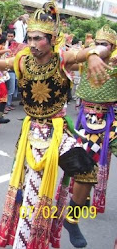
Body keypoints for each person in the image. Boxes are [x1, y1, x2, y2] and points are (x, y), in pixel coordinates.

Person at [0, 1, 110, 249]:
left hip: (58, 131)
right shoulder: (21, 60)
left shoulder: (64, 58)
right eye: (29, 38)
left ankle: (72, 220)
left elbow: (104, 48)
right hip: (31, 132)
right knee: (28, 192)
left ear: (52, 39)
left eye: (38, 38)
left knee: (87, 173)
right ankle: (22, 235)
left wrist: (94, 54)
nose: (31, 43)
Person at [63, 25, 117, 248]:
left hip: (112, 120)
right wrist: (88, 54)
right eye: (99, 43)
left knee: (87, 171)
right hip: (88, 121)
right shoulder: (85, 58)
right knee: (86, 171)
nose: (103, 47)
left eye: (107, 44)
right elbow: (63, 62)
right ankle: (71, 217)